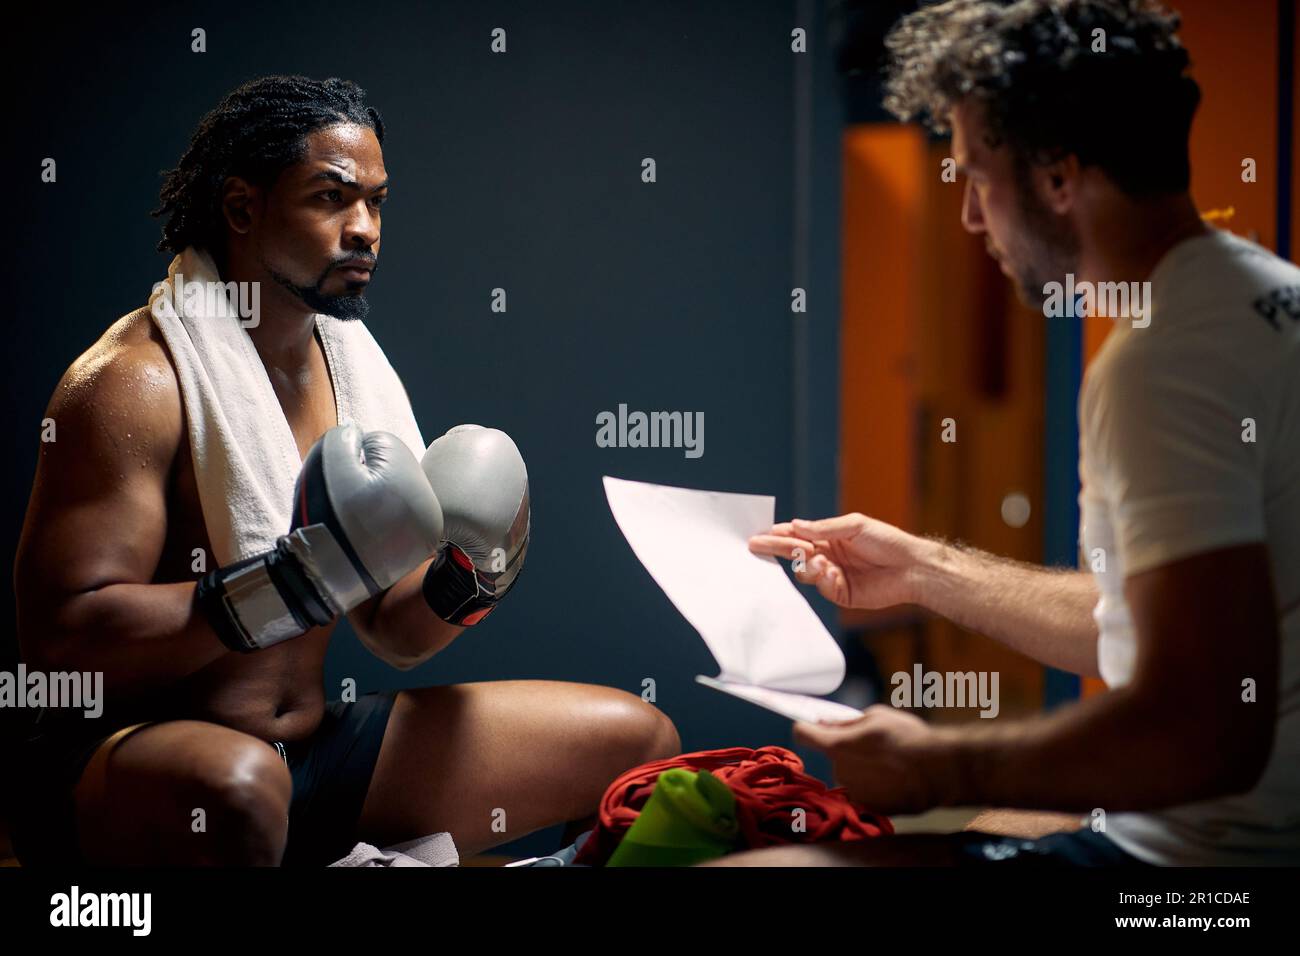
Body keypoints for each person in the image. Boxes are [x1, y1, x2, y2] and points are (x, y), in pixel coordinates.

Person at [8, 75, 679, 867]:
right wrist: (288, 587)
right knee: (240, 785)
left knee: (639, 740)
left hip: (309, 756)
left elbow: (393, 632)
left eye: (377, 202)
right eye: (331, 198)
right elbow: (62, 642)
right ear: (241, 209)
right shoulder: (138, 382)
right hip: (131, 767)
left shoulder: (350, 369)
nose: (365, 229)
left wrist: (474, 573)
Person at [718, 0, 1299, 866]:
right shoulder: (1264, 295)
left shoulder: (1159, 365)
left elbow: (1206, 731)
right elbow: (1151, 624)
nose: (971, 220)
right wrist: (922, 568)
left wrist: (939, 768)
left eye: (978, 179)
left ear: (1060, 179)